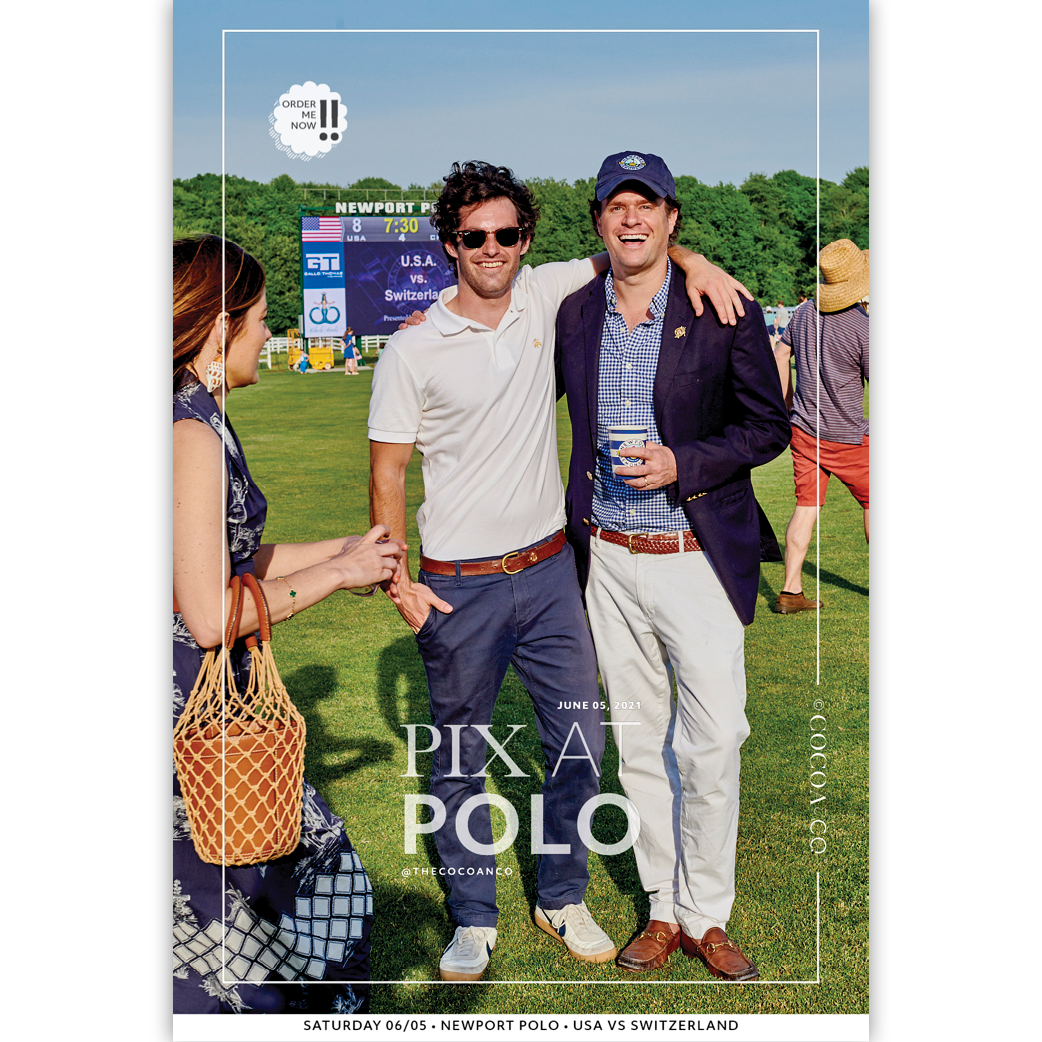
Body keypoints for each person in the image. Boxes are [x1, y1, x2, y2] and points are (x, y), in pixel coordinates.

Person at [368, 160, 751, 982]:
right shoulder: (412, 346)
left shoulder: (547, 295)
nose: (493, 248)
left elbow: (636, 249)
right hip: (457, 581)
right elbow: (388, 471)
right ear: (450, 244)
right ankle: (473, 917)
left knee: (579, 744)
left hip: (551, 573)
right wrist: (399, 579)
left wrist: (699, 262)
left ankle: (561, 895)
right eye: (475, 236)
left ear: (527, 240)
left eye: (507, 233)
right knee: (459, 757)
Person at [555, 151, 791, 981]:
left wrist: (683, 463)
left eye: (646, 205)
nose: (632, 219)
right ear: (599, 220)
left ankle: (707, 913)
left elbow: (768, 427)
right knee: (639, 744)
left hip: (696, 558)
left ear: (671, 218)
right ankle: (663, 906)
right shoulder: (575, 313)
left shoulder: (720, 308)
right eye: (616, 206)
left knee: (714, 740)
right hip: (610, 561)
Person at [173, 235, 405, 1013]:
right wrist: (339, 576)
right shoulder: (191, 434)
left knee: (238, 896)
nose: (270, 334)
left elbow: (232, 557)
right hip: (195, 705)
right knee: (284, 885)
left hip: (211, 701)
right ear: (220, 326)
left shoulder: (200, 417)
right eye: (262, 319)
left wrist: (344, 548)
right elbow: (211, 613)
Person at [772, 239, 869, 614]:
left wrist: (786, 404)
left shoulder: (803, 312)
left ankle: (790, 592)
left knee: (805, 506)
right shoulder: (862, 326)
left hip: (803, 431)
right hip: (848, 436)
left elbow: (781, 354)